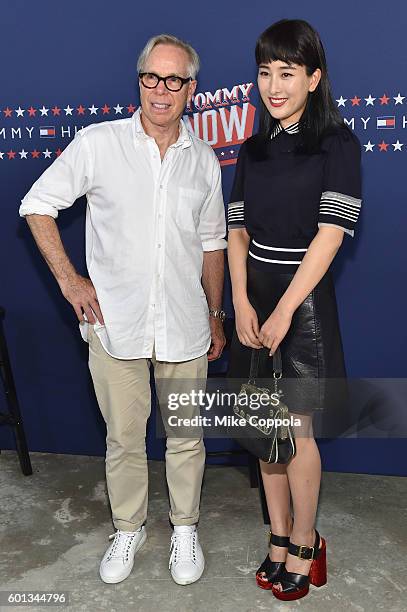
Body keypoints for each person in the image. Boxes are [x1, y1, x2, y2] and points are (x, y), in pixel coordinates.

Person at [19, 34, 227, 586]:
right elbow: (37, 205)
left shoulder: (204, 160)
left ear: (191, 89)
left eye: (174, 80)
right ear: (139, 82)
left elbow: (212, 243)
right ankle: (128, 528)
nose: (161, 91)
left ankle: (185, 528)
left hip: (185, 324)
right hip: (116, 326)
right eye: (151, 78)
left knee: (186, 437)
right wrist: (69, 280)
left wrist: (215, 312)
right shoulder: (98, 144)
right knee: (123, 440)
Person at [227, 19, 362, 601]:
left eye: (287, 72)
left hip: (302, 305)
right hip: (253, 300)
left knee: (298, 431)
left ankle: (307, 541)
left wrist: (284, 310)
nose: (274, 85)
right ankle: (277, 537)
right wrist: (239, 301)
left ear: (314, 76)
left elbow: (331, 233)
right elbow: (235, 231)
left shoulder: (337, 143)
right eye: (265, 72)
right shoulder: (252, 150)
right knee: (263, 432)